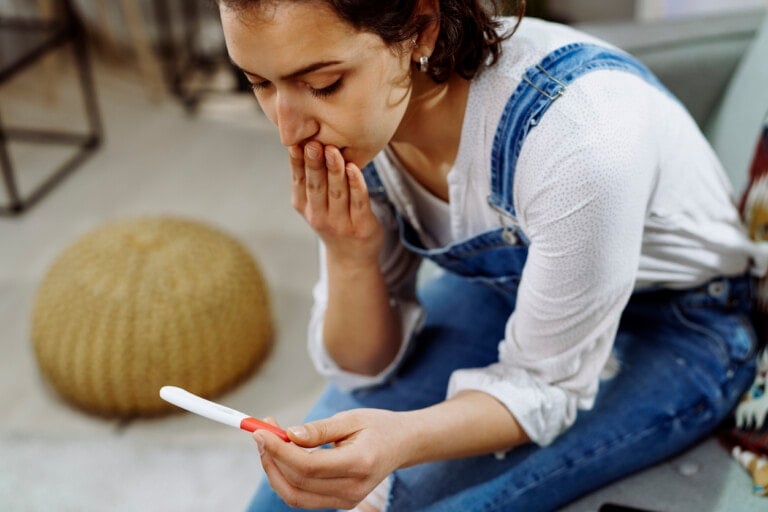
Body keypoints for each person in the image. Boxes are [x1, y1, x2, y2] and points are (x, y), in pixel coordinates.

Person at [216, 1, 764, 510]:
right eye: (259, 83)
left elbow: (542, 387)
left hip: (678, 325)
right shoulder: (362, 130)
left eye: (322, 84)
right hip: (511, 292)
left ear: (422, 29)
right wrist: (348, 252)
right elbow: (364, 366)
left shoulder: (579, 144)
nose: (288, 129)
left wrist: (400, 443)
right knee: (284, 500)